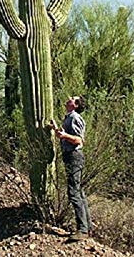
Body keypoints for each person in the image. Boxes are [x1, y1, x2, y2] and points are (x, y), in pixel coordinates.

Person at [50, 95, 92, 241]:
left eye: (72, 99)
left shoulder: (75, 118)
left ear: (75, 105)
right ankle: (88, 227)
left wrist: (64, 135)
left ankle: (83, 230)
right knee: (79, 191)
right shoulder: (68, 117)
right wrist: (56, 129)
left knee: (74, 192)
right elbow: (64, 136)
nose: (68, 99)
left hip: (74, 156)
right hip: (70, 156)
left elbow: (79, 140)